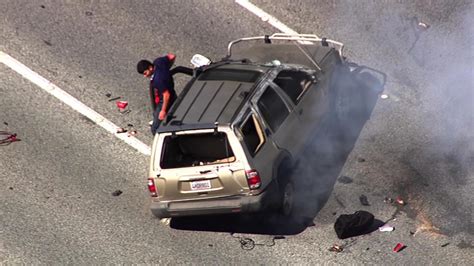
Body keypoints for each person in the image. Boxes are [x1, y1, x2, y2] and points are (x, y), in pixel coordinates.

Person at [137, 54, 192, 135]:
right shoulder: (159, 62)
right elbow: (172, 56)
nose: (145, 76)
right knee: (172, 111)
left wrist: (163, 110)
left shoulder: (158, 80)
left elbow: (166, 95)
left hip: (165, 100)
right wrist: (167, 71)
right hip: (172, 93)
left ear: (150, 68)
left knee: (155, 128)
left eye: (145, 73)